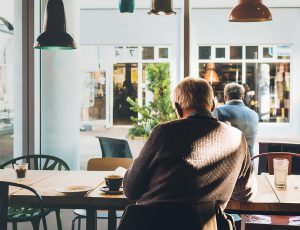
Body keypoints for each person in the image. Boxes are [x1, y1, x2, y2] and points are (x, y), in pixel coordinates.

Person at [123, 77, 256, 212]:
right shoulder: (238, 138)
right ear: (213, 106)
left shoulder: (164, 132)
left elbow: (131, 189)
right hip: (207, 225)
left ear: (178, 109)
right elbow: (246, 193)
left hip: (153, 223)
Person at [213, 83, 259, 158]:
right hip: (250, 164)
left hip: (229, 165)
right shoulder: (254, 115)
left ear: (225, 97)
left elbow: (215, 140)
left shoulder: (219, 111)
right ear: (242, 97)